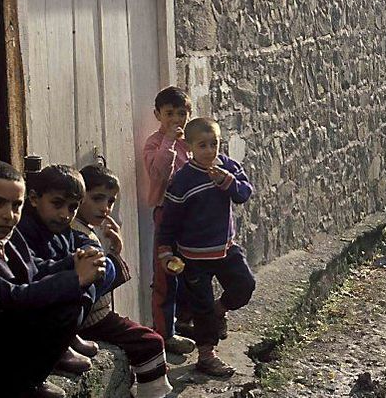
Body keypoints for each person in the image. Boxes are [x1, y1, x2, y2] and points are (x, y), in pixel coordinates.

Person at [0, 161, 106, 398]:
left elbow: (33, 272)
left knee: (79, 292)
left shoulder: (6, 229)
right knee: (70, 293)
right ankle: (17, 385)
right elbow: (4, 297)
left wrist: (74, 262)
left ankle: (31, 379)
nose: (9, 215)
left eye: (16, 205)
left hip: (12, 328)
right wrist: (74, 279)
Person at [157, 117, 256, 377]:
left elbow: (244, 193)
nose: (210, 151)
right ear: (189, 148)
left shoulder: (227, 167)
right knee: (200, 306)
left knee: (245, 285)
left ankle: (219, 309)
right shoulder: (182, 180)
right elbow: (169, 221)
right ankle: (206, 356)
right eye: (203, 145)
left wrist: (228, 182)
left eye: (214, 143)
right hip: (193, 256)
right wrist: (166, 252)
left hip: (225, 248)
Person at [73, 165, 174, 397]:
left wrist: (114, 249)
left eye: (110, 201)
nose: (105, 208)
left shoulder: (86, 229)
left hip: (96, 314)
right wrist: (114, 256)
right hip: (92, 319)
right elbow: (96, 280)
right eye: (97, 198)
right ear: (79, 196)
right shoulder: (78, 234)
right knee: (151, 341)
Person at [14, 165, 112, 374]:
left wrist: (88, 252)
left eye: (72, 208)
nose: (64, 214)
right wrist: (73, 264)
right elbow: (33, 271)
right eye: (57, 204)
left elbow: (80, 239)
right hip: (38, 304)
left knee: (98, 271)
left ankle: (68, 336)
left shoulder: (59, 226)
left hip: (59, 288)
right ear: (34, 198)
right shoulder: (25, 229)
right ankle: (55, 351)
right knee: (77, 283)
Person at [142, 86, 197, 355]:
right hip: (167, 216)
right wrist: (170, 143)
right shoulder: (155, 143)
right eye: (169, 113)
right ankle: (165, 332)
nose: (176, 119)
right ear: (158, 115)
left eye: (181, 113)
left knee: (193, 270)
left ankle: (186, 321)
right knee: (167, 274)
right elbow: (159, 174)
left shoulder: (193, 142)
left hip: (192, 217)